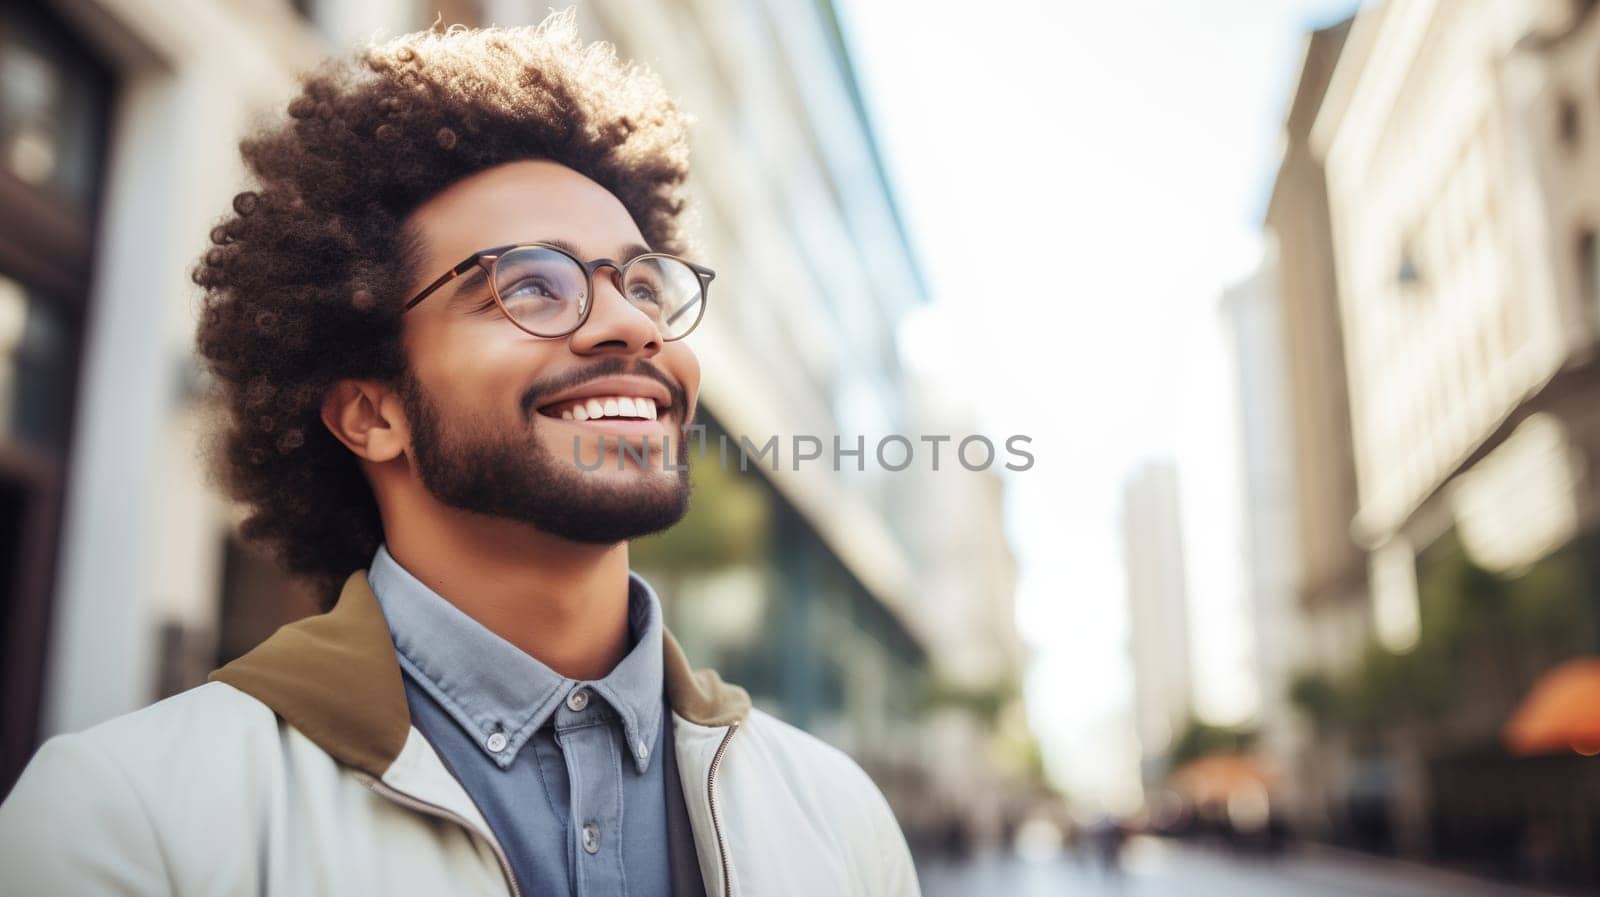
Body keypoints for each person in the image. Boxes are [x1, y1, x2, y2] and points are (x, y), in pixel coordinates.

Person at [0, 13, 920, 897]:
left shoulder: (838, 820)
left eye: (642, 283)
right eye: (532, 285)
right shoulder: (126, 819)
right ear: (371, 412)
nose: (631, 326)